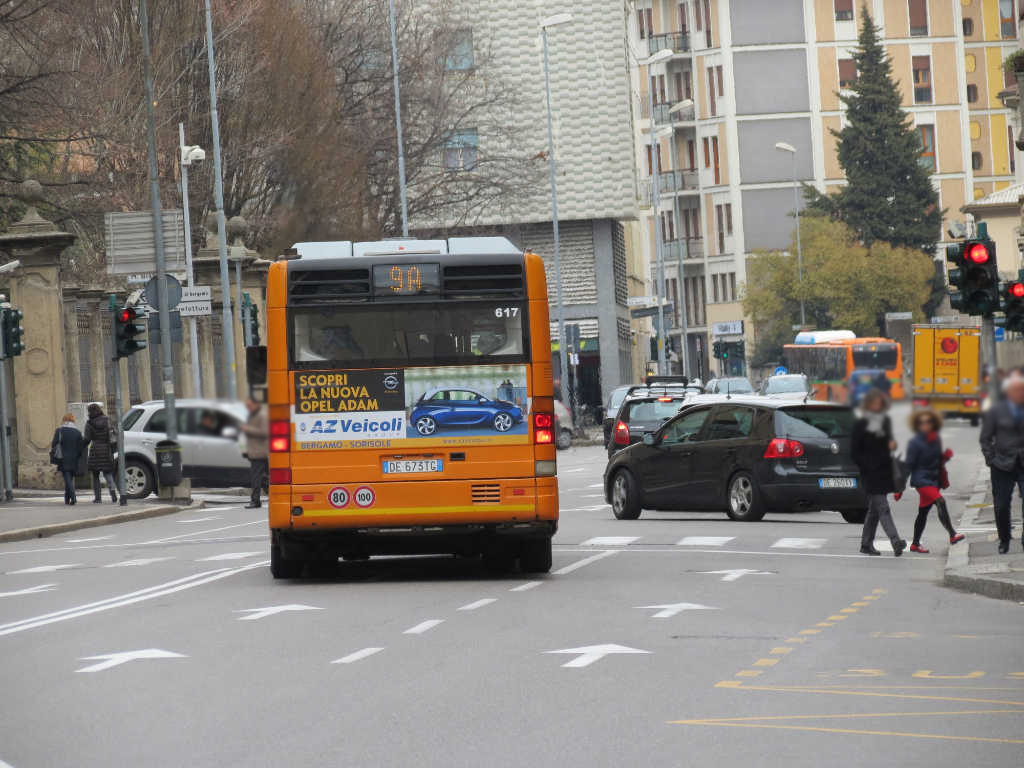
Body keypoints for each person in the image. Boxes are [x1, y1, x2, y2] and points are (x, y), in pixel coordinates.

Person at [851, 388, 907, 557]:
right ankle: (895, 540)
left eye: (879, 403)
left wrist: (892, 445)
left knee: (874, 511)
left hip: (883, 473)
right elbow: (854, 452)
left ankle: (866, 544)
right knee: (883, 508)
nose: (877, 406)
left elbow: (890, 443)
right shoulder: (860, 424)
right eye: (874, 403)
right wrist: (866, 466)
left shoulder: (885, 421)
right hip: (870, 474)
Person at [901, 409, 964, 553]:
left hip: (933, 481)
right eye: (922, 422)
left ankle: (915, 544)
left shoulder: (935, 439)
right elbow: (909, 464)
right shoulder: (915, 442)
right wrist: (900, 486)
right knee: (940, 501)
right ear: (917, 425)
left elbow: (936, 461)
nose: (925, 424)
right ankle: (953, 534)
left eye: (928, 422)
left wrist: (945, 457)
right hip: (921, 481)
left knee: (923, 512)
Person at [980, 371, 1024, 554]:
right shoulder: (996, 410)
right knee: (1002, 505)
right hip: (1002, 464)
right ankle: (1004, 539)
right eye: (1016, 390)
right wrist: (991, 459)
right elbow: (985, 437)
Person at [83, 403, 118, 504]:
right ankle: (113, 494)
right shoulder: (107, 420)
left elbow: (87, 439)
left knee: (95, 475)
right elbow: (114, 433)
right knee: (108, 473)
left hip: (95, 450)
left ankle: (98, 498)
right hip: (106, 449)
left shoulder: (89, 423)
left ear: (90, 412)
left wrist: (81, 446)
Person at [50, 413, 85, 505]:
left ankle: (73, 497)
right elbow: (81, 447)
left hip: (63, 458)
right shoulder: (77, 432)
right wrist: (77, 455)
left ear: (64, 420)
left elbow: (54, 444)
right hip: (74, 458)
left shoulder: (59, 430)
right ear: (73, 420)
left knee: (67, 478)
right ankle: (67, 498)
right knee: (69, 478)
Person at [240, 398, 268, 509]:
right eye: (246, 406)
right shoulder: (252, 415)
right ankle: (257, 499)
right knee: (263, 476)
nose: (248, 408)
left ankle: (255, 500)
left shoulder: (262, 415)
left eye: (249, 405)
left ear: (256, 404)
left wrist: (248, 429)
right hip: (254, 451)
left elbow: (264, 432)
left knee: (256, 477)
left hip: (259, 452)